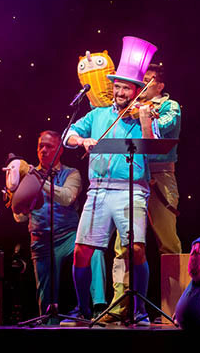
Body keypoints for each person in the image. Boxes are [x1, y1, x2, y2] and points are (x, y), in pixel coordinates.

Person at [61, 36, 159, 326]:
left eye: (125, 87)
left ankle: (140, 312)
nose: (119, 92)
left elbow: (153, 149)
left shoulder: (143, 116)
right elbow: (67, 136)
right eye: (116, 86)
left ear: (136, 91)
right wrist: (82, 140)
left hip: (132, 190)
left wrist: (144, 120)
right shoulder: (98, 115)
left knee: (136, 249)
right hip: (98, 191)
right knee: (81, 252)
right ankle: (83, 310)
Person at [100, 63, 182, 324]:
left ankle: (176, 307)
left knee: (168, 242)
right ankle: (120, 306)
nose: (144, 84)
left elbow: (164, 128)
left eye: (150, 80)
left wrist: (143, 113)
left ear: (160, 85)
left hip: (160, 177)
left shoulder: (170, 106)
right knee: (124, 245)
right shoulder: (128, 107)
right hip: (132, 176)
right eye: (141, 80)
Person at [11, 131, 106, 323]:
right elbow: (20, 218)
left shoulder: (71, 173)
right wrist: (15, 199)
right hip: (41, 241)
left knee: (93, 252)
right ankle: (49, 326)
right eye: (41, 146)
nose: (43, 150)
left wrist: (38, 180)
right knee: (46, 298)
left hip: (69, 237)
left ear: (60, 150)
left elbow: (67, 198)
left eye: (49, 146)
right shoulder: (27, 176)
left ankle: (98, 307)